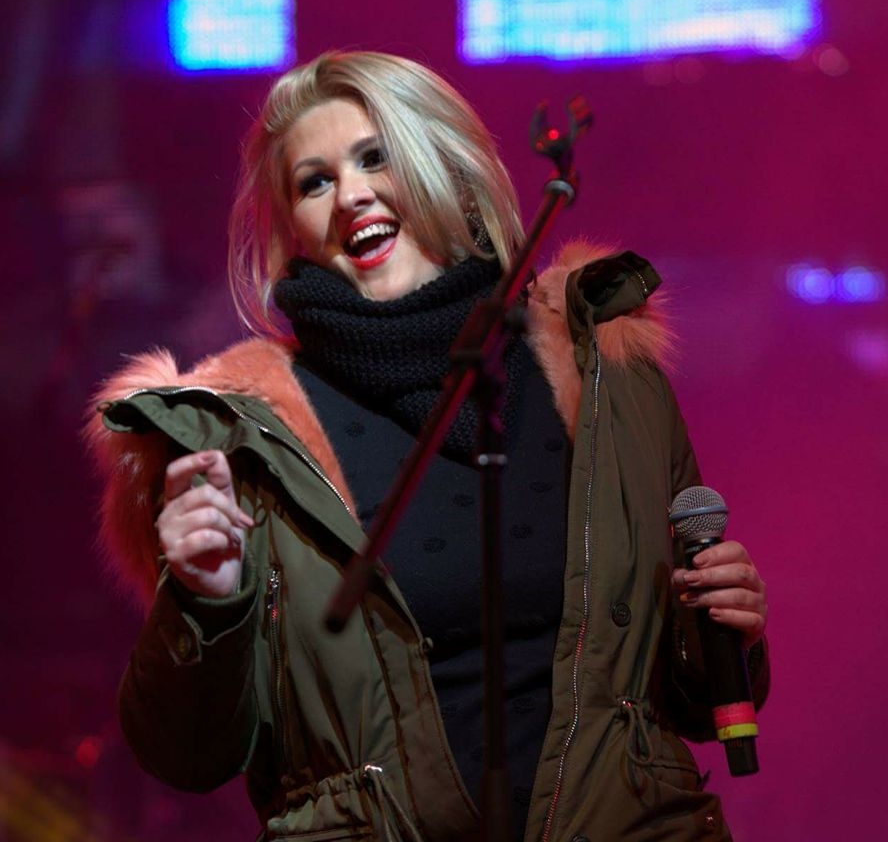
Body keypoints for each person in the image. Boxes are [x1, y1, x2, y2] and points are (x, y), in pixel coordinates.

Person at [88, 50, 769, 842]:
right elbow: (184, 755)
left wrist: (730, 628)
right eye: (314, 182)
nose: (352, 194)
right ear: (292, 228)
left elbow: (695, 702)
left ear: (447, 168)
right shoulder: (235, 441)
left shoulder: (605, 370)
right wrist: (204, 604)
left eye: (376, 157)